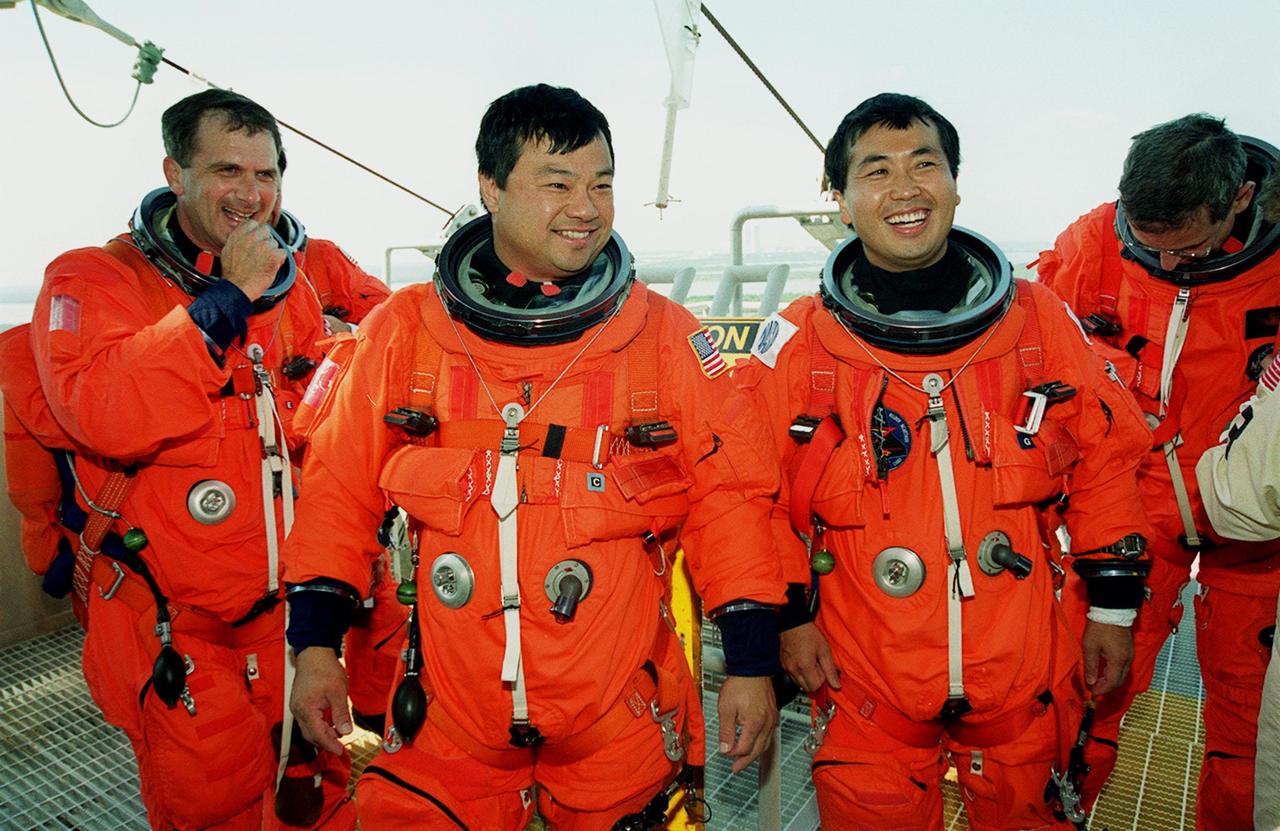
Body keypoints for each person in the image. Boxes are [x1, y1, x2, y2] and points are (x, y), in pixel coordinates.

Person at [282, 83, 786, 829]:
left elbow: (731, 501)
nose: (587, 207)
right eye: (558, 183)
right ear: (490, 186)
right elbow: (338, 492)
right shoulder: (406, 333)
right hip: (451, 719)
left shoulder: (662, 337)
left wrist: (749, 661)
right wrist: (315, 647)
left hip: (617, 718)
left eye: (602, 185)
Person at [733, 92, 1152, 829]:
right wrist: (790, 620)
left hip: (1021, 670)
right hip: (866, 677)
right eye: (877, 171)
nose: (905, 188)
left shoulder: (1037, 323)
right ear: (841, 201)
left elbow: (1107, 462)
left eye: (924, 165)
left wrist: (1113, 610)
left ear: (956, 184)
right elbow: (750, 495)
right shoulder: (801, 345)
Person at [4, 89, 358, 830]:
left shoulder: (303, 272)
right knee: (214, 803)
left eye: (266, 173)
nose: (252, 194)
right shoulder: (92, 280)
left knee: (315, 793)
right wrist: (227, 298)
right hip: (173, 625)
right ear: (175, 173)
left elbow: (391, 342)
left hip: (291, 619)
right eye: (228, 171)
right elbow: (105, 411)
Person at [1036, 114, 1280, 828]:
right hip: (1135, 515)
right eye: (1152, 246)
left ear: (1241, 199)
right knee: (1084, 694)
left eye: (1189, 248)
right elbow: (1034, 351)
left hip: (1256, 524)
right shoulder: (1091, 246)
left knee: (1253, 727)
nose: (1170, 264)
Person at [1194, 176, 1280, 831]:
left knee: (1247, 739)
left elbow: (1241, 501)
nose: (1172, 261)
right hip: (1154, 516)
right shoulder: (1091, 246)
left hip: (1245, 542)